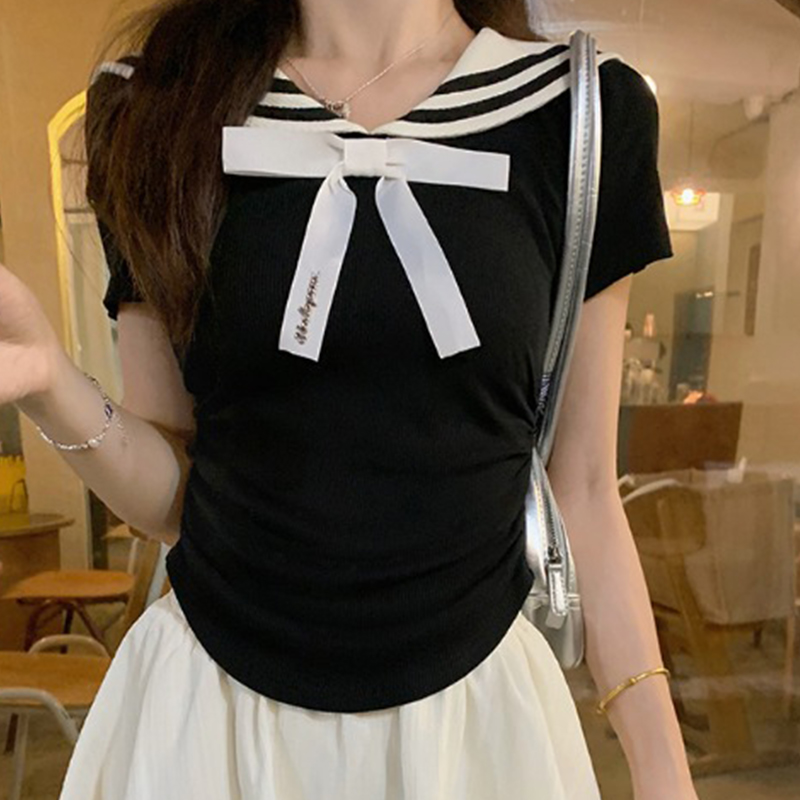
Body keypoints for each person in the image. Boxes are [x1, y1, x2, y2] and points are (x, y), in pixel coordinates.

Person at [1, 0, 698, 797]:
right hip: (212, 722)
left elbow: (585, 489)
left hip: (473, 732)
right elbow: (174, 497)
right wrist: (50, 383)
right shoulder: (158, 103)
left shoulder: (580, 112)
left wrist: (663, 771)